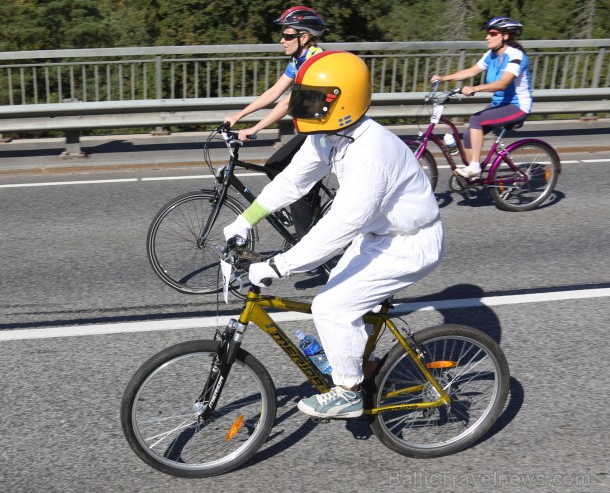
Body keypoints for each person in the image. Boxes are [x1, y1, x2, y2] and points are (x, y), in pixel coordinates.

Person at [223, 51, 444, 418]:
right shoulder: (329, 132)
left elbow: (341, 225)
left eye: (311, 101)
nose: (302, 108)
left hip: (410, 244)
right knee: (336, 303)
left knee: (331, 307)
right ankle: (367, 368)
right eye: (301, 99)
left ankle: (349, 391)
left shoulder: (370, 154)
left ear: (343, 100)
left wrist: (279, 266)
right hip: (379, 238)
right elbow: (294, 179)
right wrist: (246, 218)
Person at [224, 6, 327, 240]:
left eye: (288, 36)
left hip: (323, 133)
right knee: (275, 167)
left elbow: (285, 104)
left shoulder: (315, 62)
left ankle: (308, 241)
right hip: (310, 130)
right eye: (283, 35)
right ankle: (310, 210)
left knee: (288, 175)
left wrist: (254, 129)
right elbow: (273, 93)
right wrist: (237, 117)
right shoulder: (299, 59)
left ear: (304, 37)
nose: (282, 40)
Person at [431, 17, 532, 179]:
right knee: (468, 136)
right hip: (499, 104)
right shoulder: (491, 55)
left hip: (518, 106)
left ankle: (475, 167)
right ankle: (473, 175)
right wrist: (443, 78)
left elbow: (502, 84)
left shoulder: (516, 56)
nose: (487, 37)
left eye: (492, 34)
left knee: (476, 120)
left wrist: (475, 88)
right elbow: (471, 71)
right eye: (487, 34)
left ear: (505, 36)